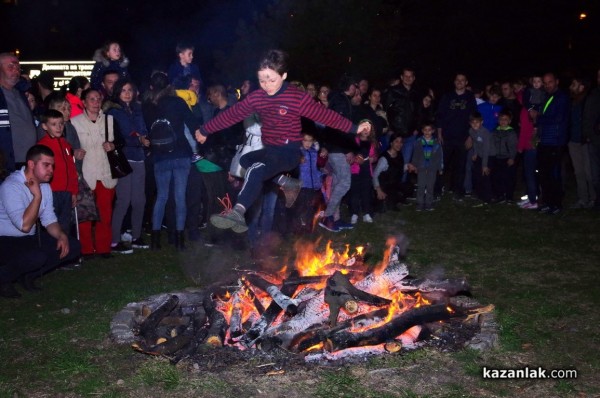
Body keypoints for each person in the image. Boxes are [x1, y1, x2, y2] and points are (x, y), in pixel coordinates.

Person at [196, 50, 371, 234]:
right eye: (262, 80)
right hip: (270, 149)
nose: (267, 85)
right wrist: (205, 129)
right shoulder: (257, 97)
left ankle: (237, 211)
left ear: (283, 75)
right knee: (245, 160)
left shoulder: (295, 97)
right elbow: (233, 114)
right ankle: (286, 182)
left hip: (289, 152)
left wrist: (354, 128)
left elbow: (326, 116)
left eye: (271, 80)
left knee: (256, 169)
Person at [0, 145, 81, 298]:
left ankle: (28, 276)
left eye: (52, 165)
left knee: (73, 245)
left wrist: (61, 235)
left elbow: (49, 219)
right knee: (36, 257)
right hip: (5, 240)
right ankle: (4, 278)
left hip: (27, 239)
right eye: (46, 165)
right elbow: (24, 225)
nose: (51, 170)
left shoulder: (44, 186)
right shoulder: (11, 186)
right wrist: (36, 197)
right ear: (31, 164)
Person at [143, 72, 201, 250]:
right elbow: (193, 124)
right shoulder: (178, 102)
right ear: (169, 86)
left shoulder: (148, 106)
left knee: (161, 197)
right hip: (181, 152)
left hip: (160, 154)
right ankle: (179, 239)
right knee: (179, 196)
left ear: (152, 87)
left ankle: (155, 240)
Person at [71, 88, 121, 258]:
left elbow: (121, 142)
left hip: (105, 172)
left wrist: (113, 146)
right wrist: (74, 151)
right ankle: (85, 249)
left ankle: (103, 248)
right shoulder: (74, 122)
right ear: (84, 103)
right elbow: (69, 146)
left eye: (98, 99)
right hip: (86, 174)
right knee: (85, 215)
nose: (95, 102)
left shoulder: (110, 120)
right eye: (91, 99)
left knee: (105, 214)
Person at [104, 79, 150, 253]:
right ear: (117, 92)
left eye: (130, 89)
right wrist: (137, 139)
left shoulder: (137, 109)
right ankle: (115, 241)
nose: (127, 93)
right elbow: (118, 137)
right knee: (123, 199)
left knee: (140, 200)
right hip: (122, 158)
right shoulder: (114, 112)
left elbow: (143, 130)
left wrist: (144, 139)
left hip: (139, 157)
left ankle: (136, 236)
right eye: (123, 90)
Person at [316, 74, 362, 232]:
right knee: (345, 182)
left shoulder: (339, 100)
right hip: (338, 149)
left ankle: (335, 218)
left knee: (337, 182)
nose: (356, 89)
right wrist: (347, 148)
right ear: (350, 86)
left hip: (335, 147)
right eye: (355, 85)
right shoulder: (341, 101)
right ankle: (327, 216)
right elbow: (338, 127)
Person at [530, 72, 570, 214]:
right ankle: (547, 202)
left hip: (556, 141)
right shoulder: (547, 97)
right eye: (545, 83)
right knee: (544, 174)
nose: (547, 85)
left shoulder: (562, 97)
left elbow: (557, 118)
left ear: (557, 81)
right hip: (545, 141)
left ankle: (556, 204)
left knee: (554, 174)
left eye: (550, 82)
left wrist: (539, 117)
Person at [36, 109, 79, 233]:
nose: (59, 127)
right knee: (51, 224)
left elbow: (71, 169)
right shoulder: (42, 146)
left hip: (66, 192)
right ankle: (51, 250)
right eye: (54, 124)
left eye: (61, 124)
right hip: (51, 191)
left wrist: (74, 191)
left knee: (65, 224)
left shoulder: (66, 145)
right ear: (45, 126)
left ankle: (65, 249)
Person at [436, 73, 477, 201]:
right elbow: (440, 115)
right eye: (457, 80)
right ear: (454, 82)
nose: (460, 82)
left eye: (462, 80)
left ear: (466, 82)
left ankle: (458, 192)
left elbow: (474, 119)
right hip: (447, 137)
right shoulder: (447, 96)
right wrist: (439, 133)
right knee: (442, 165)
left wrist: (471, 137)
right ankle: (437, 190)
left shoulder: (470, 98)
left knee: (461, 167)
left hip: (463, 138)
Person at [0, 53, 38, 172]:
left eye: (18, 68)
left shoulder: (21, 93)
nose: (16, 71)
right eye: (11, 67)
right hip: (7, 163)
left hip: (28, 162)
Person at [567, 77, 595, 209]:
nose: (571, 86)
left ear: (582, 87)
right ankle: (583, 198)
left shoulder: (588, 101)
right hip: (573, 141)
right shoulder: (572, 102)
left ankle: (593, 198)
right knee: (579, 172)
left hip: (586, 141)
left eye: (574, 84)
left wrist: (589, 136)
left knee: (590, 172)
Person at [408, 122, 443, 211]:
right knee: (421, 186)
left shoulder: (436, 143)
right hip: (421, 168)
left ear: (433, 131)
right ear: (422, 131)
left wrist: (440, 167)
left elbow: (439, 156)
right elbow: (415, 155)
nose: (427, 132)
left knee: (430, 186)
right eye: (425, 130)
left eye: (429, 130)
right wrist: (414, 165)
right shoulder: (418, 142)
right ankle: (420, 203)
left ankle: (429, 203)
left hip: (432, 168)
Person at [349, 121, 378, 223]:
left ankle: (366, 213)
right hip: (355, 170)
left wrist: (373, 159)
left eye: (368, 129)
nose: (366, 131)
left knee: (366, 193)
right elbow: (350, 154)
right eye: (364, 128)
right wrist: (355, 158)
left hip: (366, 170)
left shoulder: (372, 143)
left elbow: (374, 156)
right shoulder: (354, 141)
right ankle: (354, 213)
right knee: (355, 193)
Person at [489, 110, 518, 203]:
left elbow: (513, 146)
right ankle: (499, 195)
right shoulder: (494, 131)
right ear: (498, 120)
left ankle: (509, 196)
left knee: (508, 178)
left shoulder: (511, 132)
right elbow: (491, 144)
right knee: (497, 178)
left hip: (507, 158)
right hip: (497, 158)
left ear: (509, 121)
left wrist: (512, 157)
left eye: (506, 119)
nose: (503, 121)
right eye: (501, 119)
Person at [373, 133, 405, 212]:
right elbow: (375, 175)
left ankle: (394, 198)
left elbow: (398, 169)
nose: (399, 144)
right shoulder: (384, 158)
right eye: (396, 142)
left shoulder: (399, 154)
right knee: (382, 209)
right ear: (391, 143)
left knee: (391, 205)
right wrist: (378, 190)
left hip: (392, 186)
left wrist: (408, 166)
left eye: (401, 142)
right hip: (382, 186)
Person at [583, 68, 600, 209]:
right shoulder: (593, 94)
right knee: (595, 174)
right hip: (594, 140)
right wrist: (588, 134)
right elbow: (587, 116)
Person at [467, 112, 492, 205]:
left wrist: (485, 165)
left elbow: (486, 149)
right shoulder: (471, 131)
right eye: (473, 122)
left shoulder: (485, 133)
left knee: (485, 175)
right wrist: (475, 153)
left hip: (488, 155)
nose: (475, 124)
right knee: (477, 174)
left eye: (477, 122)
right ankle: (479, 195)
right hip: (480, 155)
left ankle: (487, 197)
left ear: (482, 122)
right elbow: (475, 143)